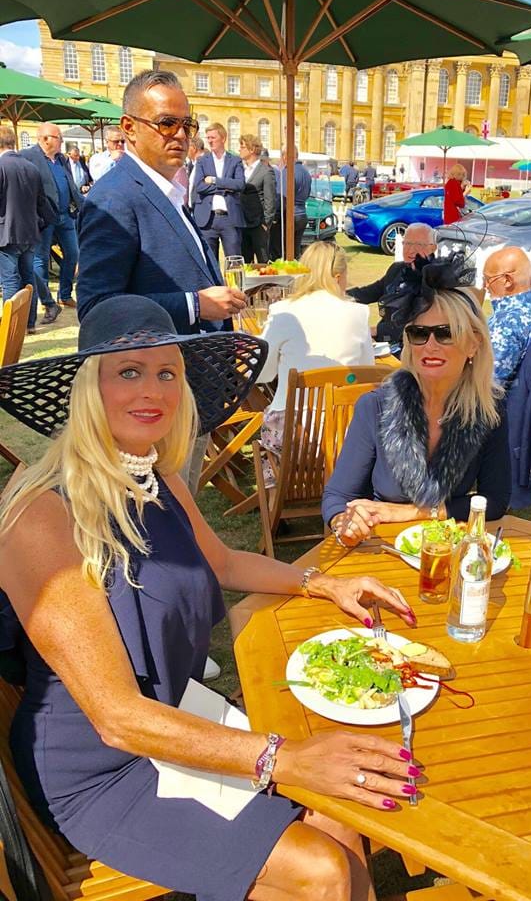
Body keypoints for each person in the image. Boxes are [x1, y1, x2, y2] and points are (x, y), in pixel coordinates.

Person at [0, 293, 418, 901]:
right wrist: (282, 758)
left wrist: (323, 581)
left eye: (167, 372)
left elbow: (221, 561)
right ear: (88, 389)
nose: (153, 391)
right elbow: (116, 719)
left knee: (342, 813)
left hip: (178, 716)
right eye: (129, 372)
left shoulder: (154, 474)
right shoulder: (41, 513)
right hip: (103, 767)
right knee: (321, 871)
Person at [323, 258, 511, 541]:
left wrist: (413, 512)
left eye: (445, 333)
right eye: (419, 333)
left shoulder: (487, 410)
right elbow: (338, 496)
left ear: (474, 344)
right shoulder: (376, 407)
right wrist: (345, 523)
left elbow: (495, 501)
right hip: (382, 547)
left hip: (448, 549)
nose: (430, 346)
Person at [78, 70, 245, 336]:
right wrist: (195, 305)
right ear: (129, 128)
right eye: (166, 123)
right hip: (163, 367)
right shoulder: (114, 198)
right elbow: (97, 309)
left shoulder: (167, 191)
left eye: (187, 125)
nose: (180, 135)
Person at [256, 242, 373, 482]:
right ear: (339, 277)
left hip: (290, 434)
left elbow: (263, 374)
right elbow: (366, 374)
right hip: (342, 433)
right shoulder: (358, 313)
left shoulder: (283, 311)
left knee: (271, 427)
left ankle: (274, 500)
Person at [21, 122, 84, 308]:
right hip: (43, 218)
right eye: (59, 137)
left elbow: (70, 184)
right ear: (45, 139)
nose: (62, 141)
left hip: (65, 216)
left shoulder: (62, 159)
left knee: (73, 253)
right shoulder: (27, 157)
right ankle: (45, 299)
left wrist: (80, 203)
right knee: (40, 258)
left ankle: (64, 294)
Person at [0, 126, 55, 333]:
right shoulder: (31, 167)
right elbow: (42, 202)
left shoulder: (2, 166)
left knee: (11, 280)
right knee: (27, 278)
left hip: (7, 233)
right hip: (30, 232)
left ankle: (12, 327)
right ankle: (29, 324)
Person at [347, 222, 436, 344]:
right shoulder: (397, 269)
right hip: (384, 342)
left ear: (433, 248)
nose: (411, 250)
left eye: (418, 244)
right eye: (407, 243)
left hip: (411, 345)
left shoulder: (434, 280)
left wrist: (375, 331)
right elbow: (369, 292)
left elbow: (417, 323)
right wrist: (335, 294)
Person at [483, 246, 531, 387]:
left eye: (488, 279)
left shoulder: (505, 325)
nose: (485, 286)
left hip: (503, 403)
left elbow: (488, 383)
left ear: (507, 280)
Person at [191, 122, 245, 262]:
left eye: (212, 138)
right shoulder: (202, 161)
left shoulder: (235, 161)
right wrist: (226, 187)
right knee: (209, 263)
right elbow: (199, 186)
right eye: (208, 138)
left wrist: (215, 180)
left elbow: (239, 184)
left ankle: (233, 285)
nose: (209, 141)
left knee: (234, 262)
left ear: (223, 138)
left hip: (229, 219)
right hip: (207, 220)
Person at [239, 134, 276, 264]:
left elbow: (270, 199)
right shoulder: (239, 169)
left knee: (263, 262)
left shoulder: (266, 171)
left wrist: (266, 223)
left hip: (258, 225)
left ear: (252, 149)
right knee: (245, 262)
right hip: (242, 223)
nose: (239, 149)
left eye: (242, 146)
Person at [278, 147, 312, 260]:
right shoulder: (306, 172)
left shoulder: (288, 171)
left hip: (290, 215)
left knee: (284, 252)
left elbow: (281, 196)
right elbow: (307, 194)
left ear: (285, 156)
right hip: (302, 214)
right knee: (296, 251)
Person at [185, 136, 205, 209]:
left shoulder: (207, 163)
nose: (185, 150)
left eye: (187, 146)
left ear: (193, 148)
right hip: (192, 208)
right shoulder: (192, 164)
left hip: (202, 209)